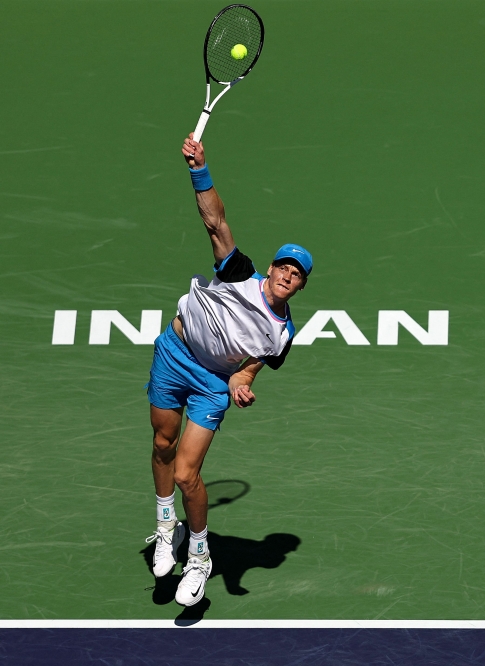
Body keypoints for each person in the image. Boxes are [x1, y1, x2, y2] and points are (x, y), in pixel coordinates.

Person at [143, 134, 313, 606]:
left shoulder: (283, 335)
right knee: (161, 442)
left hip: (210, 383)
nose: (286, 275)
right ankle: (164, 526)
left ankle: (199, 557)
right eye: (283, 266)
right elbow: (214, 221)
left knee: (186, 474)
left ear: (300, 287)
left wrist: (242, 379)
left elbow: (252, 365)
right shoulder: (238, 272)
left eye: (296, 274)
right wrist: (200, 168)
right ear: (272, 269)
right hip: (174, 354)